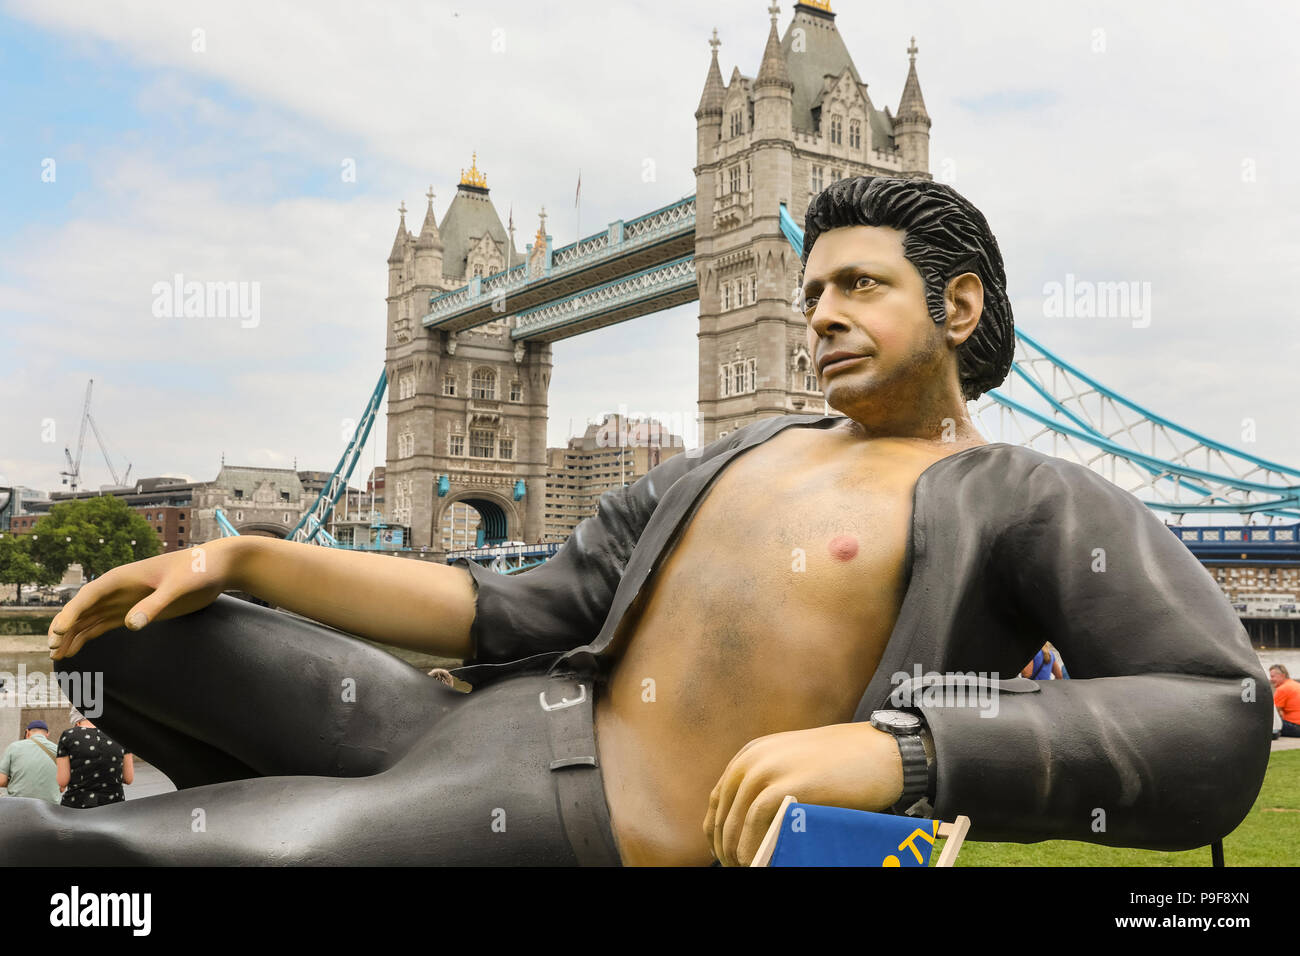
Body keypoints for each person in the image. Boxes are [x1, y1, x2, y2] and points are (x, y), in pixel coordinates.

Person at [4, 176, 1271, 866]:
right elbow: (510, 608)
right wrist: (248, 558)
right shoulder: (737, 456)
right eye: (810, 285)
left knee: (73, 855)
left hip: (584, 815)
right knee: (116, 641)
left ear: (956, 308)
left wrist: (912, 753)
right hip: (478, 722)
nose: (821, 310)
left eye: (860, 286)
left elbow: (1212, 709)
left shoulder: (1032, 499)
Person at [56, 708, 134, 808]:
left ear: (77, 722)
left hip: (78, 805)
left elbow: (63, 781)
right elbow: (128, 778)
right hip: (114, 806)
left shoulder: (69, 735)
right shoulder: (120, 735)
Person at [0, 720, 61, 804]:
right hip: (50, 806)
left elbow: (1, 780)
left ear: (27, 732)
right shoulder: (58, 750)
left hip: (18, 804)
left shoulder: (14, 747)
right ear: (47, 734)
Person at [1270, 664, 1300, 737]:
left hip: (1296, 727)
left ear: (1282, 676)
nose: (1270, 679)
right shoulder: (1296, 684)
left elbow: (1273, 713)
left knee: (1267, 722)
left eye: (1272, 676)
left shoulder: (1282, 689)